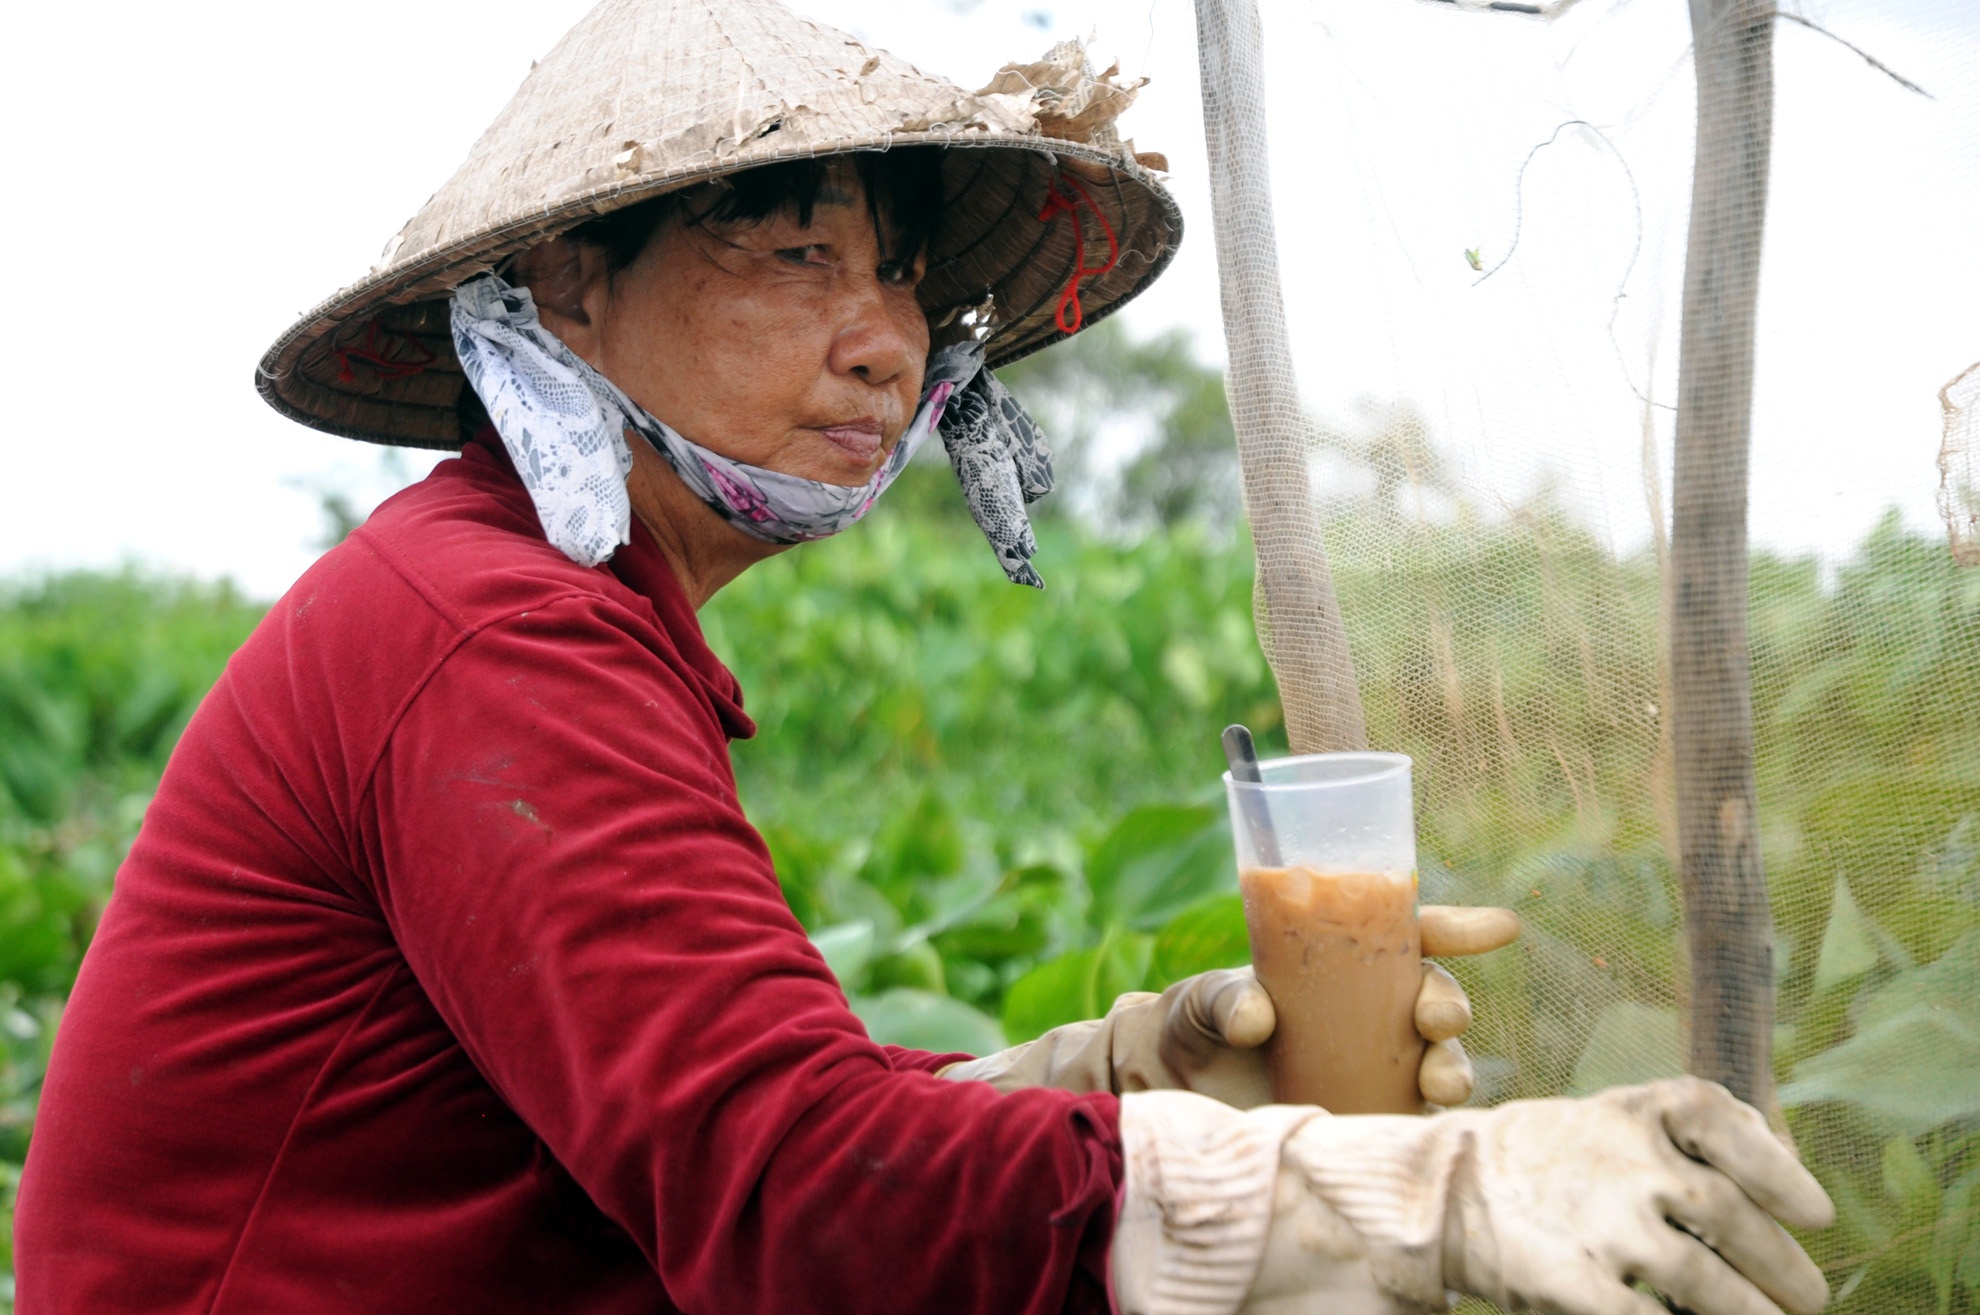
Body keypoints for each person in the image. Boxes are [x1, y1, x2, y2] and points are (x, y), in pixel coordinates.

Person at [15, 2, 1833, 1313]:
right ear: (570, 284)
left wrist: (1118, 1074)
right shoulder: (491, 636)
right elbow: (792, 1201)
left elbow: (736, 1109)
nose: (886, 340)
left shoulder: (542, 610)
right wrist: (1422, 1189)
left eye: (898, 275)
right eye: (798, 251)